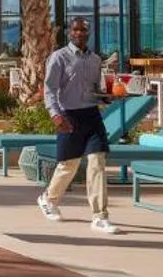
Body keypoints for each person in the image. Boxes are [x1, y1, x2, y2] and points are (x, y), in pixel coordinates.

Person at [37, 17, 118, 234]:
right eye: (76, 30)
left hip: (91, 116)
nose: (80, 33)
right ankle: (49, 199)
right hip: (68, 116)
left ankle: (100, 216)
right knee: (68, 165)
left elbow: (95, 90)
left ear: (89, 33)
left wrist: (107, 98)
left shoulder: (95, 60)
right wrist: (55, 115)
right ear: (70, 33)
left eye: (84, 30)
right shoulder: (59, 58)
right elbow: (50, 90)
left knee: (97, 162)